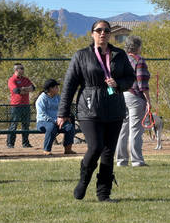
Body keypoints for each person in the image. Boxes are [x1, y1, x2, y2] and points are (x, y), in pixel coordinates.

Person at [57, 20, 135, 202]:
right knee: (96, 147)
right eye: (99, 30)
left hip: (114, 109)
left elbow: (130, 78)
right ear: (92, 33)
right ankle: (84, 179)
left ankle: (104, 194)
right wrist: (63, 112)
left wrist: (119, 84)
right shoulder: (81, 55)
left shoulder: (119, 54)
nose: (103, 33)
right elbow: (69, 85)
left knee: (108, 152)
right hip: (89, 109)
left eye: (106, 30)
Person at [115, 36, 151, 167]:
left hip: (120, 96)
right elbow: (142, 82)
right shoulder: (139, 60)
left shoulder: (120, 60)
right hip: (135, 96)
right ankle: (137, 160)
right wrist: (148, 101)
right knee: (135, 129)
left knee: (123, 130)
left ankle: (121, 160)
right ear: (137, 47)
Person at [35, 78, 76, 155]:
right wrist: (54, 121)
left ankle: (68, 149)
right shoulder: (42, 98)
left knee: (69, 127)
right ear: (50, 88)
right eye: (56, 87)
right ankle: (46, 150)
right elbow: (42, 114)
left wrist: (65, 116)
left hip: (57, 121)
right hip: (43, 122)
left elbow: (63, 108)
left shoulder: (57, 97)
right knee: (51, 127)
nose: (58, 88)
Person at [6, 63, 35, 148]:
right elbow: (16, 90)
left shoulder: (26, 79)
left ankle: (25, 143)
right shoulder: (12, 80)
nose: (23, 70)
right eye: (21, 68)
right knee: (13, 125)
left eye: (23, 68)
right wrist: (26, 89)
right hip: (16, 106)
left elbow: (33, 88)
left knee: (26, 125)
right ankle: (10, 144)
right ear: (16, 70)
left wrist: (22, 89)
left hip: (26, 105)